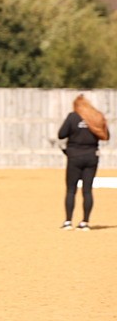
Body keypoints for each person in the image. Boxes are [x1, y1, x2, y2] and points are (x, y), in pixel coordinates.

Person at [58, 93, 109, 230]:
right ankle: (85, 222)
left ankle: (68, 221)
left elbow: (61, 134)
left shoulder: (73, 117)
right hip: (92, 156)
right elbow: (106, 135)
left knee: (71, 190)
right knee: (87, 190)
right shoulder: (96, 117)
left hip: (74, 156)